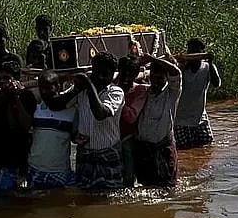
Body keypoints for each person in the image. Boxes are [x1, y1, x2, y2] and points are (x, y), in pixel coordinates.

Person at [47, 51, 124, 189]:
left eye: (107, 74)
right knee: (84, 194)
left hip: (108, 152)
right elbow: (55, 105)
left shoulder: (115, 92)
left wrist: (88, 84)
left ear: (113, 74)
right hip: (86, 153)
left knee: (110, 195)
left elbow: (100, 114)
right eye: (99, 73)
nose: (102, 78)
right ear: (93, 71)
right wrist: (76, 89)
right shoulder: (82, 90)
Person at [0, 61, 37, 197]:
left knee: (12, 197)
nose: (2, 82)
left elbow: (26, 124)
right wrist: (2, 97)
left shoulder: (26, 96)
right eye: (0, 78)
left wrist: (15, 99)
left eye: (6, 78)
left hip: (16, 157)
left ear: (17, 80)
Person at [133, 55, 182, 187]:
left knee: (167, 189)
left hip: (163, 149)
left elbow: (176, 72)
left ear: (166, 78)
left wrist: (152, 59)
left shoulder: (171, 93)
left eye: (160, 78)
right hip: (144, 150)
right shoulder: (143, 92)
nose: (156, 81)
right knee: (146, 187)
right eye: (154, 77)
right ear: (150, 76)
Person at [27, 70, 77, 189]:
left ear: (58, 86)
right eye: (42, 88)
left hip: (60, 172)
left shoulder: (72, 111)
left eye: (49, 88)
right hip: (35, 169)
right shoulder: (35, 109)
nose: (45, 92)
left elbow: (75, 138)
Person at [174, 39, 221, 149]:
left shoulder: (207, 67)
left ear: (202, 52)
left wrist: (210, 62)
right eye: (191, 51)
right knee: (184, 149)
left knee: (206, 148)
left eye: (197, 51)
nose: (193, 54)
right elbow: (176, 82)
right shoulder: (182, 68)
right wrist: (183, 65)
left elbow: (217, 83)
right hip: (181, 119)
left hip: (200, 118)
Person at [116, 55, 148, 187]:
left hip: (129, 139)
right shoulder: (111, 87)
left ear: (136, 74)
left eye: (130, 74)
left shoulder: (140, 90)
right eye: (123, 73)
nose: (126, 77)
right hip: (111, 138)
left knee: (128, 178)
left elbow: (130, 117)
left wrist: (118, 96)